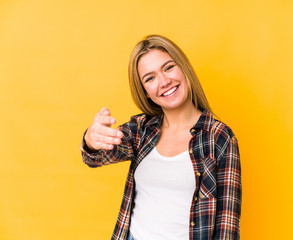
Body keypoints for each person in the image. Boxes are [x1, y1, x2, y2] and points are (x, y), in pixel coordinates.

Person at [80, 35, 241, 240]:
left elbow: (228, 224)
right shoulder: (141, 130)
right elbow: (95, 157)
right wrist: (91, 140)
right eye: (150, 78)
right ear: (145, 92)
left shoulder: (219, 137)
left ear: (184, 68)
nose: (164, 82)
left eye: (168, 68)